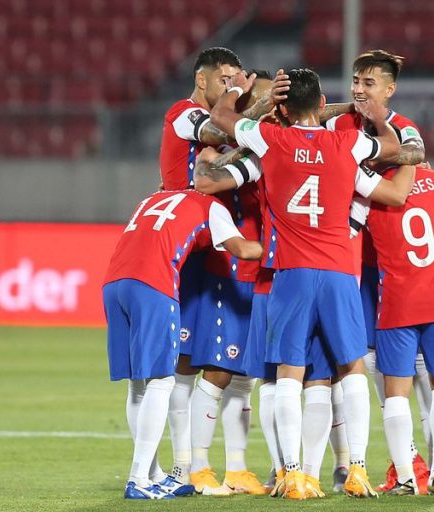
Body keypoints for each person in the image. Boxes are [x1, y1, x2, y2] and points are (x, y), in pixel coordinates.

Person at [209, 67, 413, 499]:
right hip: (339, 271)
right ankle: (357, 468)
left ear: (282, 107)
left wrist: (237, 93)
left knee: (288, 372)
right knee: (352, 367)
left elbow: (223, 120)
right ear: (323, 104)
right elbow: (394, 148)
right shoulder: (348, 141)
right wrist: (378, 117)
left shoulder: (271, 139)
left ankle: (295, 474)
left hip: (291, 272)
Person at [158, 47, 282, 487]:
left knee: (235, 368)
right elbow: (208, 161)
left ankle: (229, 466)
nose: (232, 85)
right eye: (225, 78)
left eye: (237, 78)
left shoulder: (229, 135)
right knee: (188, 364)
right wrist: (263, 110)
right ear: (201, 79)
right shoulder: (183, 113)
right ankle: (187, 465)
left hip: (223, 251)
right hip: (193, 252)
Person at [102, 188, 262, 499]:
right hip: (153, 285)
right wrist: (283, 247)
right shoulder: (212, 206)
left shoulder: (150, 198)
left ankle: (152, 474)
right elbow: (241, 249)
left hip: (113, 283)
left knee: (138, 385)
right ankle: (138, 480)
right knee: (162, 381)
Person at [331, 49, 433, 491]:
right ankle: (392, 458)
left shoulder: (404, 127)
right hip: (349, 258)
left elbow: (417, 153)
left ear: (389, 91)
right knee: (359, 359)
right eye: (355, 80)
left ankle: (432, 462)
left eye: (368, 83)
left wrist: (366, 158)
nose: (358, 89)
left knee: (417, 366)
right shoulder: (342, 122)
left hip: (391, 262)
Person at [185, 71, 273, 496]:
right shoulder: (220, 151)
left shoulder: (276, 147)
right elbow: (204, 180)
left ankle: (237, 468)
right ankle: (198, 466)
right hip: (231, 265)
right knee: (219, 369)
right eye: (263, 104)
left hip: (264, 270)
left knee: (244, 376)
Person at [366, 163, 434, 495]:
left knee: (396, 392)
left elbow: (349, 230)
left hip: (396, 301)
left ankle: (406, 477)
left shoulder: (371, 191)